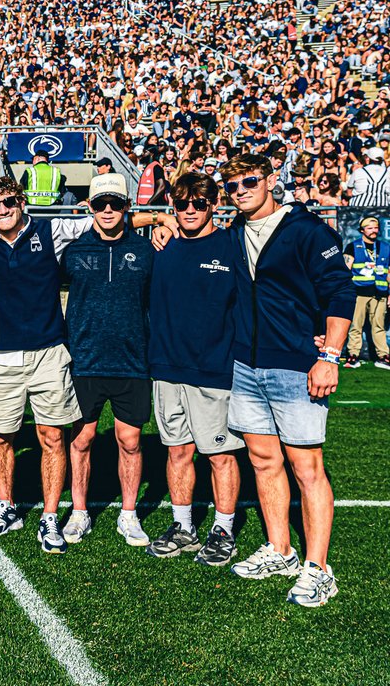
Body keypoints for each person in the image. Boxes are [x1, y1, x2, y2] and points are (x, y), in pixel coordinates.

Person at [0, 179, 161, 552]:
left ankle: (49, 517)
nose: (4, 210)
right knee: (0, 437)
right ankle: (6, 506)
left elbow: (106, 218)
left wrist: (160, 219)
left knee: (52, 437)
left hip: (50, 351)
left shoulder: (51, 228)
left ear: (22, 201)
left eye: (10, 202)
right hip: (0, 356)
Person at [218, 153, 354, 608]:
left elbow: (340, 290)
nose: (240, 190)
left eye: (249, 181)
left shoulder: (309, 230)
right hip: (246, 364)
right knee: (262, 460)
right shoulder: (234, 232)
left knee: (306, 467)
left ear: (271, 180)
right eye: (232, 185)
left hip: (297, 364)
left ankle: (319, 568)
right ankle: (280, 549)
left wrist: (329, 355)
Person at [145, 173, 243, 566]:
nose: (189, 210)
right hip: (166, 369)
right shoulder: (161, 246)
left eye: (198, 204)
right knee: (177, 452)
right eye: (181, 204)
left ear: (213, 206)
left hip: (214, 370)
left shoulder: (232, 246)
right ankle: (183, 526)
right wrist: (155, 222)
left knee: (220, 456)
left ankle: (223, 529)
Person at [63, 173, 154, 549]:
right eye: (100, 204)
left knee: (129, 441)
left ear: (126, 207)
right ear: (90, 208)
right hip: (84, 361)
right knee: (81, 440)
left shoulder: (148, 252)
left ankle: (129, 515)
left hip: (133, 362)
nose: (107, 210)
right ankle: (80, 511)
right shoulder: (73, 251)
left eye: (115, 203)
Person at [342, 216, 389, 368]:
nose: (374, 230)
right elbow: (345, 270)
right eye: (369, 228)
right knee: (356, 325)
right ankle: (353, 356)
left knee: (379, 326)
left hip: (380, 293)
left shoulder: (386, 247)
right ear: (362, 230)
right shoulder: (352, 246)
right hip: (359, 292)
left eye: (375, 228)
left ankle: (383, 356)